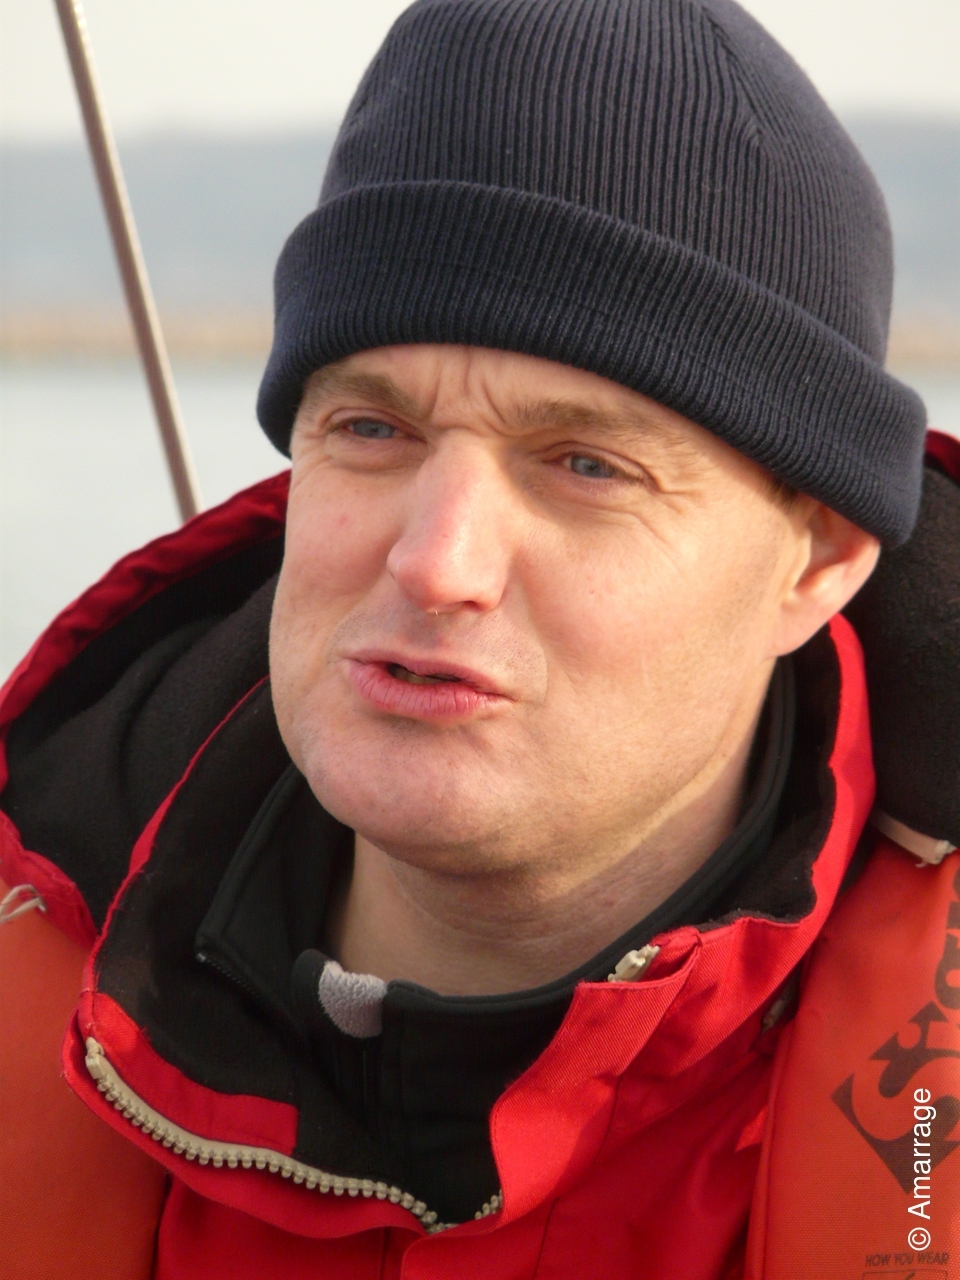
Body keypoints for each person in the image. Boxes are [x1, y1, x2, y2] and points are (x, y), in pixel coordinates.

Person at [1, 0, 959, 1276]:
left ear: (818, 561)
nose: (436, 559)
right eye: (373, 429)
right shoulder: (32, 913)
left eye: (586, 464)